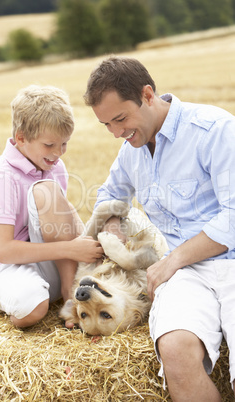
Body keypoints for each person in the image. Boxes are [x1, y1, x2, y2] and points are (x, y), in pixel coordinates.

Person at [84, 56, 235, 401]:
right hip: (184, 275)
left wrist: (172, 260)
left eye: (120, 119)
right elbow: (110, 193)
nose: (117, 133)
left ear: (148, 95)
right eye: (106, 125)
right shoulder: (130, 152)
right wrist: (111, 224)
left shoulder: (215, 130)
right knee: (176, 352)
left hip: (229, 261)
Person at [0, 84, 103, 329]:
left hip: (51, 263)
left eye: (64, 144)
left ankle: (69, 294)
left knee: (107, 280)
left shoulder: (55, 168)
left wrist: (77, 249)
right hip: (7, 268)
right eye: (49, 145)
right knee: (34, 307)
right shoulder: (1, 177)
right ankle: (12, 304)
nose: (58, 153)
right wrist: (71, 249)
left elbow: (58, 226)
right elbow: (4, 251)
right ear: (21, 137)